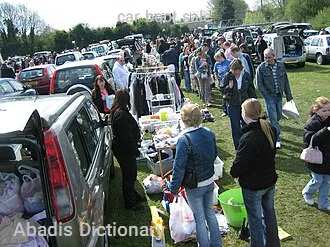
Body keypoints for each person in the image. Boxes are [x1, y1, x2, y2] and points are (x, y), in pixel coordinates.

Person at [169, 103, 222, 247]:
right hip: (209, 181)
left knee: (199, 218)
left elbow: (178, 168)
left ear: (184, 120)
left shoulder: (184, 140)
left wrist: (173, 189)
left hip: (195, 185)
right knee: (210, 214)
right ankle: (217, 244)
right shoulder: (209, 133)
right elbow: (214, 155)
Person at [230, 98, 280, 247]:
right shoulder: (270, 128)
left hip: (254, 185)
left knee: (255, 220)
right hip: (269, 180)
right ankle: (273, 244)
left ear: (244, 114)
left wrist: (234, 171)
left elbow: (238, 167)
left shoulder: (248, 138)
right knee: (269, 215)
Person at [109, 89, 146, 211]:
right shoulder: (121, 115)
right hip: (124, 151)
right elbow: (126, 138)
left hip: (122, 149)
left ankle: (133, 196)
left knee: (130, 175)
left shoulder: (119, 112)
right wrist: (135, 150)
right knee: (129, 176)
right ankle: (130, 203)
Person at [256, 48, 294, 149]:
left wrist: (289, 96)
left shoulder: (281, 66)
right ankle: (277, 139)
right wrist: (266, 96)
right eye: (265, 57)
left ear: (274, 56)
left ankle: (268, 129)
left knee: (277, 116)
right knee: (274, 120)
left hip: (279, 96)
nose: (267, 59)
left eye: (269, 57)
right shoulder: (261, 68)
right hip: (269, 97)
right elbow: (259, 84)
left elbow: (285, 81)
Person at [302, 96, 330, 211]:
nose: (327, 113)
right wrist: (325, 131)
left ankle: (323, 202)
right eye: (324, 111)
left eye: (329, 110)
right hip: (317, 158)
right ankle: (307, 193)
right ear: (316, 110)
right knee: (317, 180)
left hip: (328, 158)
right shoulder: (311, 123)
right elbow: (309, 140)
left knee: (327, 181)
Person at [222, 59, 256, 151]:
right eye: (232, 70)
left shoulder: (246, 76)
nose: (233, 72)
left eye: (235, 70)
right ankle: (238, 147)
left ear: (240, 69)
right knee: (235, 127)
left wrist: (253, 101)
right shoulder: (228, 76)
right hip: (232, 105)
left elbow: (251, 89)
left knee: (247, 125)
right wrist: (229, 87)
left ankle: (248, 144)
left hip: (245, 105)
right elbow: (221, 89)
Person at [213, 51, 230, 117]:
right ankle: (225, 110)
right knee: (223, 96)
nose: (216, 61)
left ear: (220, 57)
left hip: (228, 81)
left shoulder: (228, 62)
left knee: (229, 95)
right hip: (221, 81)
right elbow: (215, 72)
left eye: (217, 59)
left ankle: (230, 110)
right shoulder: (216, 64)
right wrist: (216, 80)